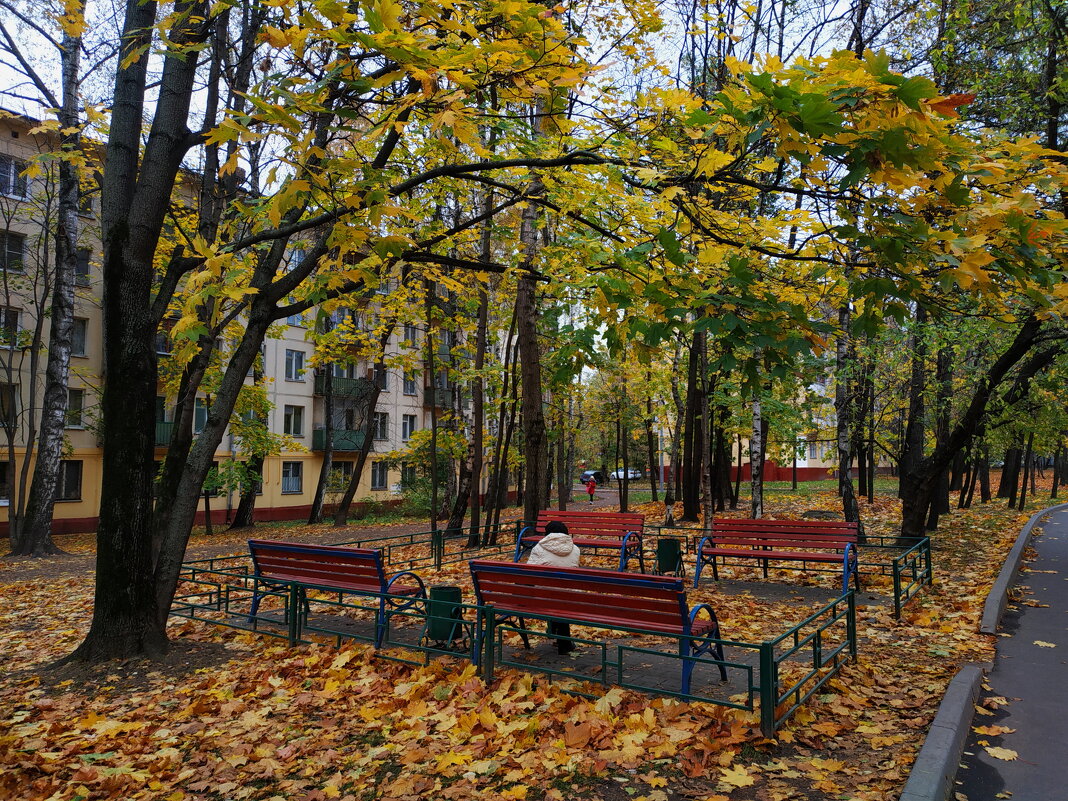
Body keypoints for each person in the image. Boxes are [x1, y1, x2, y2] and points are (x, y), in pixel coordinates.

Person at [527, 520, 581, 654]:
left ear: (547, 534)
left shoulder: (538, 548)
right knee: (562, 593)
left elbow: (528, 574)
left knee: (551, 593)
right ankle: (564, 642)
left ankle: (559, 636)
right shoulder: (576, 549)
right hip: (571, 598)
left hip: (543, 598)